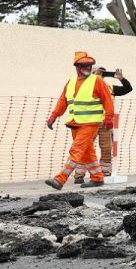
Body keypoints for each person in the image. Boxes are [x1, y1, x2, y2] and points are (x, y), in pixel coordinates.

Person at [45, 51, 115, 190]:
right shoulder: (70, 82)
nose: (88, 68)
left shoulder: (97, 81)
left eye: (90, 65)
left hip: (90, 123)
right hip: (75, 123)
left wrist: (108, 118)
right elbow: (63, 100)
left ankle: (60, 179)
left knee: (76, 150)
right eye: (84, 65)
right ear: (77, 67)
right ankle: (97, 178)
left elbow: (108, 100)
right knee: (87, 152)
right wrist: (53, 116)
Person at [72, 66, 132, 183]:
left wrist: (122, 78)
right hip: (90, 123)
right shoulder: (85, 86)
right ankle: (79, 175)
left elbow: (127, 89)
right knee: (85, 148)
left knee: (106, 149)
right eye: (96, 73)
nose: (100, 75)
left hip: (105, 123)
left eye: (102, 74)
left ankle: (105, 173)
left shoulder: (109, 88)